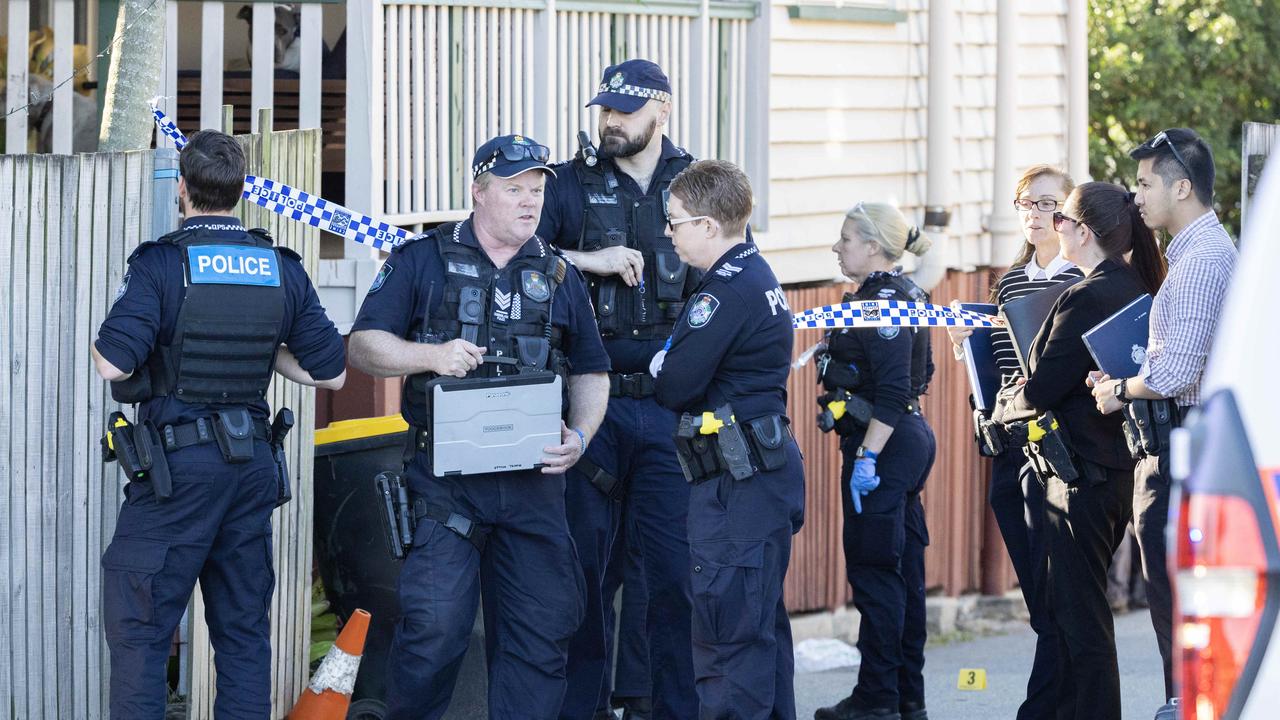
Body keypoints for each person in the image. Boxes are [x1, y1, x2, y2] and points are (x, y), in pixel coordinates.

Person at [348, 134, 612, 720]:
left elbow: (593, 371)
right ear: (478, 192)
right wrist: (430, 356)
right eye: (514, 189)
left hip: (535, 488)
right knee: (433, 634)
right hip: (447, 490)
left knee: (539, 639)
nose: (529, 202)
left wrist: (582, 436)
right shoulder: (423, 258)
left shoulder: (559, 274)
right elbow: (365, 346)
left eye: (537, 190)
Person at [91, 129, 347, 718]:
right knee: (243, 640)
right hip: (250, 470)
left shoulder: (163, 263)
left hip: (176, 476)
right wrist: (266, 352)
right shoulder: (281, 266)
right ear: (238, 192)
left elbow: (113, 362)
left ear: (182, 188)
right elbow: (330, 373)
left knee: (141, 634)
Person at [537, 58, 699, 719]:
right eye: (604, 110)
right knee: (583, 576)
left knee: (669, 575)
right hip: (588, 407)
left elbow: (729, 275)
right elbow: (517, 254)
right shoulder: (569, 186)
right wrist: (588, 260)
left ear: (661, 109)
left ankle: (657, 705)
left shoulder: (695, 184)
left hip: (666, 410)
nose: (609, 121)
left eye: (624, 111)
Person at [994, 181, 1166, 719]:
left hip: (1082, 478)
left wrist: (999, 408)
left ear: (1082, 231)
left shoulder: (1088, 294)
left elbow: (1042, 386)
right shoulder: (1133, 284)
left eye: (1062, 219)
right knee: (1076, 615)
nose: (1055, 226)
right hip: (1113, 469)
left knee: (1081, 620)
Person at [1091, 127, 1237, 720]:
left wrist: (1118, 389)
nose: (1137, 194)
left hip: (1179, 444)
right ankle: (1186, 696)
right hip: (1171, 441)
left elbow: (1175, 371)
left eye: (1146, 183)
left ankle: (1187, 700)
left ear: (1182, 187)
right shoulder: (1192, 253)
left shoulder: (1202, 259)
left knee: (1174, 588)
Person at [652, 160, 805, 719]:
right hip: (757, 475)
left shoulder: (724, 292)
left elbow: (675, 385)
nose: (668, 234)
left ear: (708, 226)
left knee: (727, 635)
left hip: (734, 485)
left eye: (675, 223)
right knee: (760, 629)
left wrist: (664, 362)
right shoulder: (755, 272)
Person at [945, 165, 1081, 720]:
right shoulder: (1008, 282)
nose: (1034, 214)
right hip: (1008, 441)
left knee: (1059, 591)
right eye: (1025, 202)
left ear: (1070, 213)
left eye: (1047, 204)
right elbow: (998, 368)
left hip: (1063, 448)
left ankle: (1047, 705)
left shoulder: (1080, 280)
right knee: (1036, 591)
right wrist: (963, 342)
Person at [813, 202, 937, 720]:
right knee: (902, 572)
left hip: (883, 447)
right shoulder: (901, 294)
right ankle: (907, 697)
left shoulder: (882, 303)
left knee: (876, 574)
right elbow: (922, 372)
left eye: (845, 239)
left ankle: (878, 699)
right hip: (901, 441)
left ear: (874, 247)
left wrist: (867, 457)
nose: (837, 248)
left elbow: (892, 392)